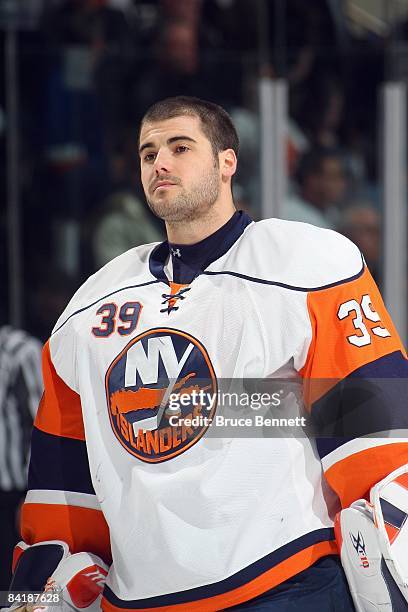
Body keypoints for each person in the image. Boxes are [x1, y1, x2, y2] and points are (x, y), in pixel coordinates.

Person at [10, 97, 408, 611]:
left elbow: (374, 433)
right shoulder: (89, 307)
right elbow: (62, 485)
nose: (161, 163)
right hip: (141, 598)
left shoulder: (305, 263)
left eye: (180, 147)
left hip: (287, 583)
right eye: (147, 153)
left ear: (227, 162)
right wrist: (38, 587)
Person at [0, 326, 43, 590]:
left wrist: (33, 490)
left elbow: (42, 422)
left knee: (13, 582)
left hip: (12, 490)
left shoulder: (20, 349)